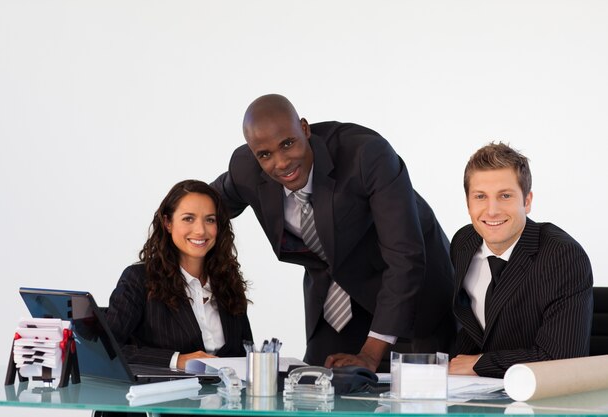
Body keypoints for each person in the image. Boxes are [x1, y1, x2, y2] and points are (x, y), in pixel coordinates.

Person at [212, 94, 455, 372]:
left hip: (412, 290)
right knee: (316, 386)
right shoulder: (246, 169)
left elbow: (405, 257)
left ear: (304, 129)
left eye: (288, 144)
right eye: (265, 154)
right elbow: (201, 206)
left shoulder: (367, 155)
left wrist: (370, 354)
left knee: (413, 398)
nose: (280, 162)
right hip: (337, 299)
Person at [449, 143, 593, 378]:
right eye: (480, 197)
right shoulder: (464, 242)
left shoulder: (562, 256)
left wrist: (480, 364)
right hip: (475, 394)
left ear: (526, 201)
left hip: (541, 400)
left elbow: (562, 359)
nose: (491, 210)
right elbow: (475, 328)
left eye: (505, 196)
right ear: (468, 203)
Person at [106, 180, 252, 369]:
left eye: (210, 219)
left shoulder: (228, 281)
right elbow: (108, 349)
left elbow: (245, 353)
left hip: (225, 396)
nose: (200, 230)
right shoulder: (140, 279)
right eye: (188, 218)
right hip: (165, 395)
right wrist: (177, 360)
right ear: (167, 223)